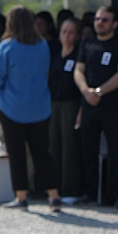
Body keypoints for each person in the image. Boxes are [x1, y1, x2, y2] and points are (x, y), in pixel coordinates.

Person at [0, 6, 62, 211]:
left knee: (17, 153)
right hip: (40, 106)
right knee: (42, 152)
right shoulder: (43, 45)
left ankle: (21, 196)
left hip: (12, 106)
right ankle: (54, 196)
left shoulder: (6, 46)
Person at [73, 5, 118, 208]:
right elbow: (78, 71)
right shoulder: (87, 43)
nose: (100, 23)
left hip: (112, 105)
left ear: (115, 24)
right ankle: (89, 193)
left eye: (105, 20)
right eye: (98, 19)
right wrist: (86, 91)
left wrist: (99, 92)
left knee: (116, 151)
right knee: (88, 150)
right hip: (89, 104)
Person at [49, 18, 83, 200]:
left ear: (77, 35)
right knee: (53, 146)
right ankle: (54, 189)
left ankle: (70, 190)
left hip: (72, 104)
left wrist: (81, 110)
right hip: (54, 104)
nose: (66, 36)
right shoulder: (55, 57)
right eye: (64, 32)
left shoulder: (79, 56)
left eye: (71, 32)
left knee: (69, 147)